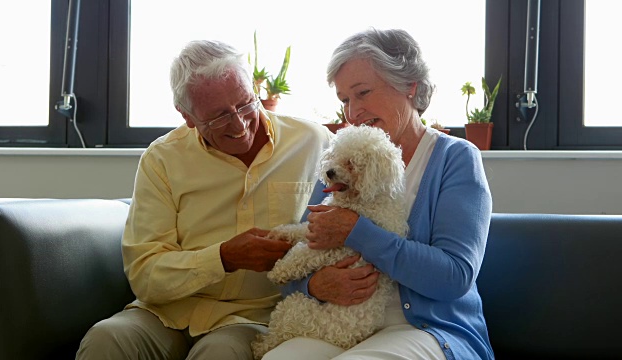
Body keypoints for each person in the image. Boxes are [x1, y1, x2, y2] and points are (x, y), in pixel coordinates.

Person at [76, 39, 333, 360]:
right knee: (106, 338)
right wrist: (224, 257)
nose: (239, 125)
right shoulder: (162, 159)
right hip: (166, 313)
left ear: (255, 89)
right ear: (187, 116)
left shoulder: (313, 141)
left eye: (244, 104)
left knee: (220, 352)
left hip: (253, 316)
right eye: (218, 117)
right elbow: (145, 274)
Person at [263, 28, 495, 360]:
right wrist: (314, 285)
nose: (352, 112)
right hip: (339, 324)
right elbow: (300, 258)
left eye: (363, 93)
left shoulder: (455, 158)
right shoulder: (343, 159)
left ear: (409, 87)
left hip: (429, 330)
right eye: (344, 100)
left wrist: (356, 232)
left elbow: (453, 277)